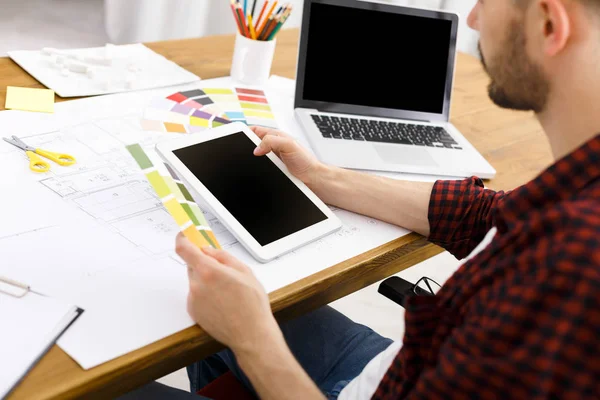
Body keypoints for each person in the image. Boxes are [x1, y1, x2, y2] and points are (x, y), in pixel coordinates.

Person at [121, 0, 600, 398]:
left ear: (548, 23)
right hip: (399, 366)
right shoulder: (577, 192)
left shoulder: (574, 260)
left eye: (484, 3)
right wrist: (322, 178)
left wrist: (252, 340)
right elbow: (481, 213)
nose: (472, 20)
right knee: (217, 295)